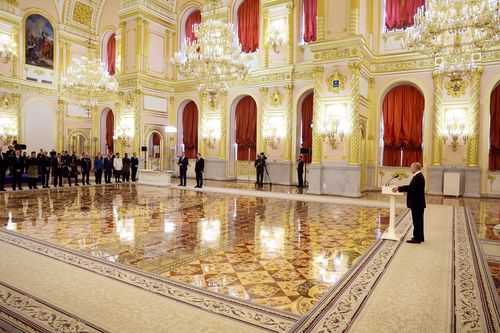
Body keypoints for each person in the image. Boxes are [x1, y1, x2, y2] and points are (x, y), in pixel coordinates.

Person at [392, 162, 426, 244]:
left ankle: (416, 238)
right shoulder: (419, 176)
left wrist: (398, 188)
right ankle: (420, 237)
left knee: (417, 221)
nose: (410, 169)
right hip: (418, 202)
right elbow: (412, 187)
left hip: (417, 203)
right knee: (419, 221)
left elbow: (411, 188)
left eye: (411, 167)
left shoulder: (418, 177)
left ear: (415, 168)